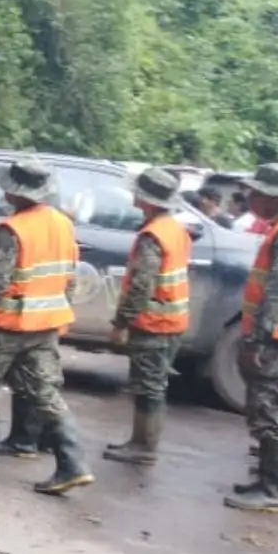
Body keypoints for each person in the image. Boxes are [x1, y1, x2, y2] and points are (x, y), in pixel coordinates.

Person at [0, 158, 94, 495]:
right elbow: (70, 276)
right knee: (45, 391)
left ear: (17, 192)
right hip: (47, 323)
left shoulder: (14, 229)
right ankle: (73, 464)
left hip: (7, 323)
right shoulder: (62, 223)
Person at [104, 168, 192, 466]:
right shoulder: (174, 229)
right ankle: (140, 442)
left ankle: (144, 446)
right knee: (153, 385)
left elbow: (142, 284)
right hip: (171, 321)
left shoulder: (152, 236)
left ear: (146, 199)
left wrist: (121, 324)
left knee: (149, 388)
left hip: (154, 324)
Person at [227, 164, 278, 513]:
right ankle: (268, 479)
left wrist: (257, 341)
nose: (251, 198)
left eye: (257, 192)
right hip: (275, 336)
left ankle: (274, 488)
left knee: (270, 412)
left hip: (275, 339)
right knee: (270, 410)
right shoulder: (277, 229)